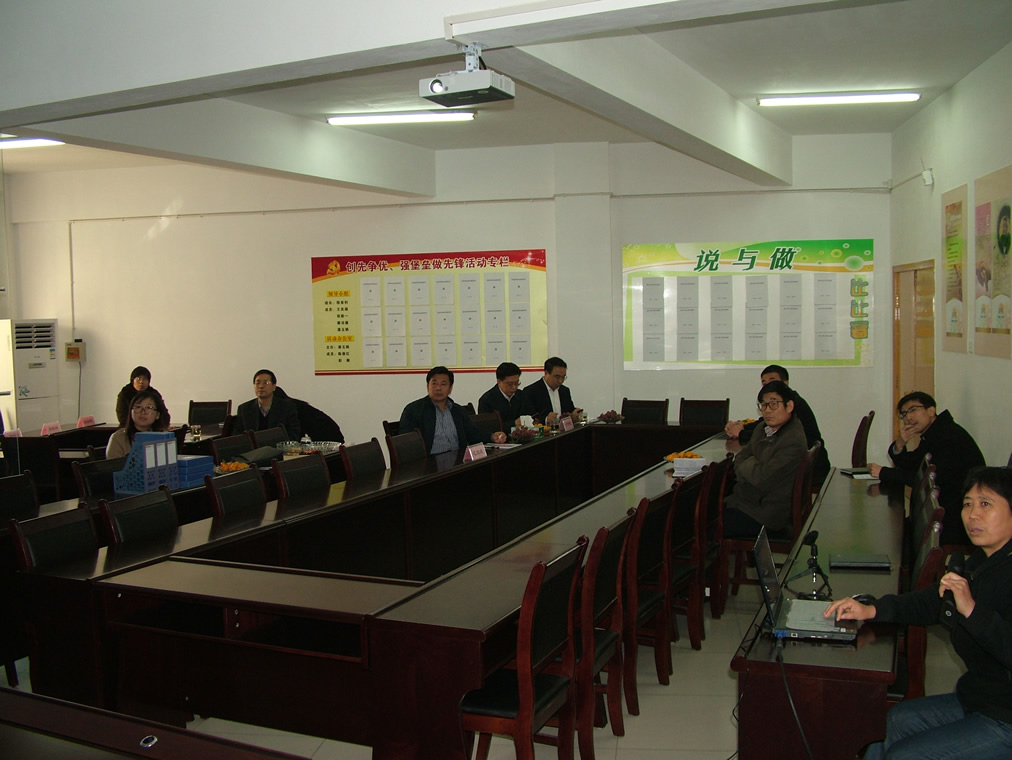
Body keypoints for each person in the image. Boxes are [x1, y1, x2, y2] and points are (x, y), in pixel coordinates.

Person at [825, 467, 1012, 759]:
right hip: (979, 699)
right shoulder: (983, 562)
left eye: (986, 504)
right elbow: (931, 602)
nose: (973, 514)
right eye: (967, 504)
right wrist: (873, 609)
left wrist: (972, 610)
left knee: (905, 756)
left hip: (1005, 719)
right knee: (889, 724)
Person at [869, 392, 985, 546]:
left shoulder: (948, 436)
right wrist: (900, 444)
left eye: (913, 410)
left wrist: (884, 472)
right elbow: (913, 464)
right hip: (942, 506)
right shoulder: (935, 432)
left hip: (955, 514)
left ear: (931, 410)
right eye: (904, 414)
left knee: (894, 534)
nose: (908, 418)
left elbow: (928, 479)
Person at [723, 380, 809, 539]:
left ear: (789, 406)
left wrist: (749, 463)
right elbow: (742, 455)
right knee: (705, 513)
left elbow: (762, 478)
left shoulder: (792, 441)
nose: (767, 410)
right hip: (748, 501)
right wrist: (754, 463)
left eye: (774, 404)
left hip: (767, 514)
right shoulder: (763, 428)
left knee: (705, 525)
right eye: (763, 405)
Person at [724, 364, 829, 486]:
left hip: (804, 474)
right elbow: (761, 424)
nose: (768, 386)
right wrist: (742, 426)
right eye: (764, 383)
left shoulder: (794, 410)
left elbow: (762, 477)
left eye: (772, 381)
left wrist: (742, 434)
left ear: (786, 383)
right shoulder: (774, 416)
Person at [400, 366, 507, 454]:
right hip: (429, 462)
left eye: (443, 384)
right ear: (428, 386)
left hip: (458, 460)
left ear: (450, 388)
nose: (438, 388)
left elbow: (472, 433)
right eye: (434, 383)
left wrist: (492, 436)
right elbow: (408, 442)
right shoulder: (414, 410)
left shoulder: (457, 410)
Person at [233, 369, 301, 440]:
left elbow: (294, 434)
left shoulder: (287, 407)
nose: (261, 386)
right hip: (253, 447)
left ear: (274, 386)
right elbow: (237, 436)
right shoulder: (244, 409)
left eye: (266, 383)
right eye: (257, 383)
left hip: (278, 446)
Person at [106, 389, 170, 458]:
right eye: (138, 407)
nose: (143, 412)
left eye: (149, 407)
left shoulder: (163, 437)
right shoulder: (119, 438)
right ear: (131, 411)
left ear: (157, 415)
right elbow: (114, 464)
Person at [273, 386, 344, 442]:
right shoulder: (296, 405)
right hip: (331, 435)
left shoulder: (291, 409)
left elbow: (297, 433)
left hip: (327, 439)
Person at [525, 356, 582, 426]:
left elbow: (569, 410)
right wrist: (545, 420)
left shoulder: (565, 390)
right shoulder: (531, 391)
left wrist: (574, 414)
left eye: (563, 377)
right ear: (546, 373)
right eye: (557, 377)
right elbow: (529, 417)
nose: (560, 381)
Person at [477, 362, 535, 428]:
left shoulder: (522, 395)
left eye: (516, 383)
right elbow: (486, 427)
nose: (514, 387)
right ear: (499, 382)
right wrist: (514, 423)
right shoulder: (487, 400)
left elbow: (532, 415)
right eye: (510, 384)